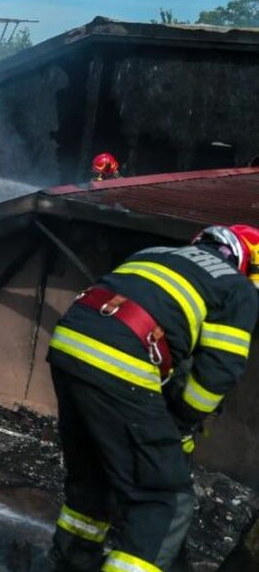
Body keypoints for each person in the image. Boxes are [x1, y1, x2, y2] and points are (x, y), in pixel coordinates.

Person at [46, 224, 259, 572]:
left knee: (93, 482)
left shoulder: (155, 253)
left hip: (69, 346)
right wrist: (182, 422)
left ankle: (67, 564)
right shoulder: (238, 288)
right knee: (163, 498)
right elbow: (218, 373)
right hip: (121, 359)